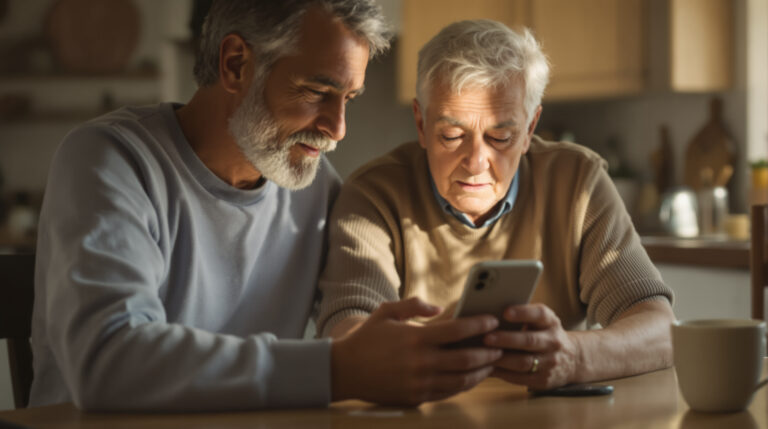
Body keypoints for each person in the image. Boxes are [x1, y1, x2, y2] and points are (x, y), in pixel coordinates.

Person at [29, 1, 503, 411]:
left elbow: (355, 320)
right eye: (317, 92)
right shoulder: (111, 161)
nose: (338, 127)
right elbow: (109, 362)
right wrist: (335, 369)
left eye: (349, 98)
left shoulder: (316, 192)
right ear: (236, 64)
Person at [317, 19, 676, 391]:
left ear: (530, 128)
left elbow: (661, 329)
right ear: (421, 124)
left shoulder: (578, 183)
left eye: (500, 137)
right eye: (452, 135)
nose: (476, 162)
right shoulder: (373, 196)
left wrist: (574, 356)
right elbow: (346, 337)